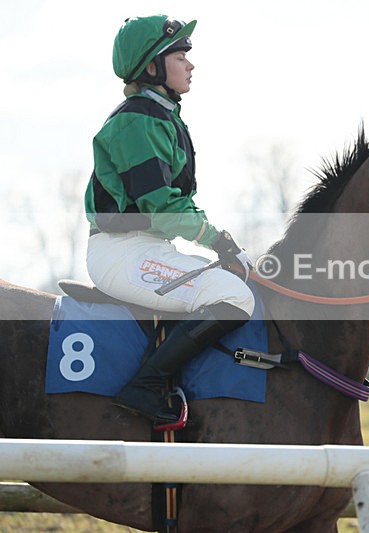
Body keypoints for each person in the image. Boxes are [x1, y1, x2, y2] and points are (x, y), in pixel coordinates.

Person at [84, 15, 255, 426]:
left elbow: (176, 207)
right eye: (181, 56)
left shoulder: (161, 116)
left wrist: (221, 244)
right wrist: (219, 240)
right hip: (120, 254)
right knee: (234, 298)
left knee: (238, 284)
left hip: (149, 248)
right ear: (152, 68)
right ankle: (145, 386)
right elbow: (162, 208)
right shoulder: (136, 121)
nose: (190, 64)